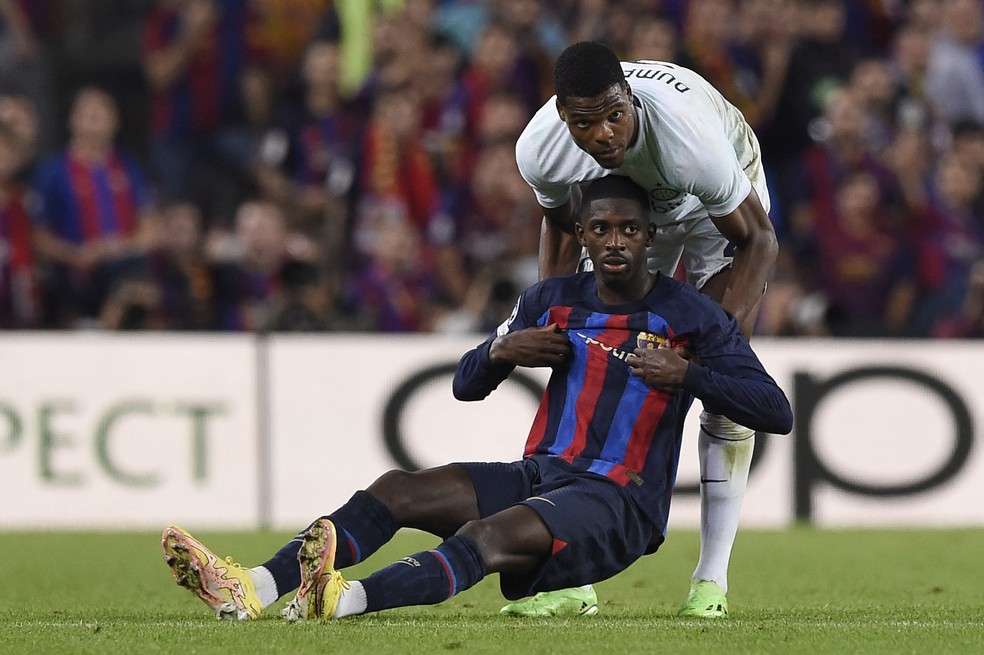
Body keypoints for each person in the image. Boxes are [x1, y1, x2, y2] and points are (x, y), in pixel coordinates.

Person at [161, 175, 792, 622]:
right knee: (398, 489)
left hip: (621, 500)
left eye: (630, 228)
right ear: (584, 234)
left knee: (486, 536)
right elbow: (466, 385)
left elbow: (776, 411)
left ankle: (338, 600)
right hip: (543, 472)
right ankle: (253, 586)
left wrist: (689, 378)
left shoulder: (692, 317)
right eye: (601, 229)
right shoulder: (551, 301)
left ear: (651, 235)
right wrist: (497, 354)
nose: (616, 241)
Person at [510, 40, 780, 618]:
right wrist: (560, 324)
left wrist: (714, 351)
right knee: (589, 383)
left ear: (630, 99)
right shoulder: (541, 151)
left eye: (615, 115)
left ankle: (712, 582)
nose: (605, 134)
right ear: (563, 119)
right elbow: (561, 230)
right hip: (627, 216)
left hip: (718, 210)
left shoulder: (692, 145)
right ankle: (570, 580)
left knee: (719, 391)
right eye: (587, 123)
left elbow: (756, 240)